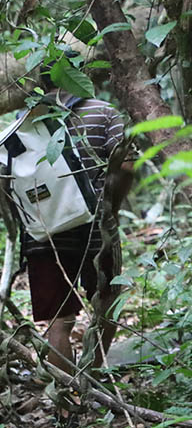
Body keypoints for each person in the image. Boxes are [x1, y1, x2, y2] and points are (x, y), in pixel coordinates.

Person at [15, 63, 133, 373]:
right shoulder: (104, 112)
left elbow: (8, 181)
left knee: (59, 318)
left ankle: (66, 399)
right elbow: (126, 167)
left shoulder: (23, 121)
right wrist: (111, 211)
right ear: (79, 75)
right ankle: (92, 376)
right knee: (106, 301)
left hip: (45, 232)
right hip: (96, 227)